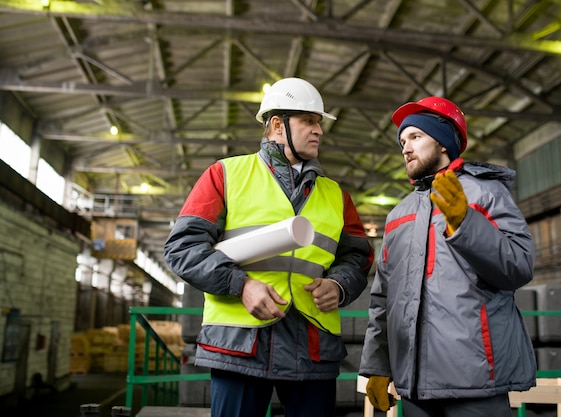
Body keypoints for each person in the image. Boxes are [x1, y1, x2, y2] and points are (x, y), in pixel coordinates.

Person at [164, 77, 374, 417]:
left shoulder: (336, 195)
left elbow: (358, 256)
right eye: (309, 121)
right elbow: (182, 248)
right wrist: (241, 285)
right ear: (277, 125)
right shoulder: (225, 175)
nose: (318, 130)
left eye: (319, 123)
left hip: (311, 345)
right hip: (239, 344)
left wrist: (339, 284)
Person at [358, 96, 536, 417]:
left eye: (416, 137)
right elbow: (383, 298)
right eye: (402, 141)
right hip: (413, 384)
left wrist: (466, 224)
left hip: (473, 378)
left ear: (442, 143)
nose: (406, 148)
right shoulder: (399, 214)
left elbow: (519, 265)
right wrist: (377, 364)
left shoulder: (486, 193)